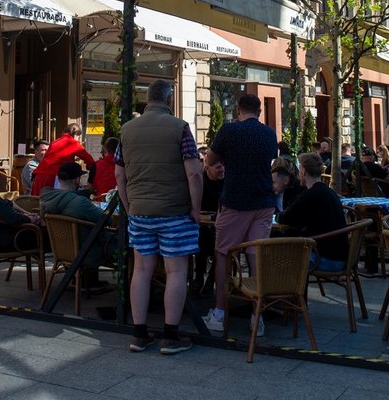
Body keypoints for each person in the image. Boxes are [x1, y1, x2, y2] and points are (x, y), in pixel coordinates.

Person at [116, 79, 201, 356]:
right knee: (176, 271)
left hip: (140, 210)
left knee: (141, 270)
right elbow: (194, 173)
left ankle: (139, 334)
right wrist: (196, 208)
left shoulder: (126, 130)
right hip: (175, 211)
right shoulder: (180, 128)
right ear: (169, 99)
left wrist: (129, 205)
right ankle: (170, 335)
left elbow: (119, 174)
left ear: (148, 99)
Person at [202, 94, 278, 336]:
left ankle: (219, 312)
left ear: (238, 109)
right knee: (255, 257)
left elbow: (210, 159)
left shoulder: (229, 131)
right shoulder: (269, 133)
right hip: (264, 202)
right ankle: (257, 316)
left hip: (235, 201)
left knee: (223, 254)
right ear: (259, 111)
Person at [40, 162, 112, 287]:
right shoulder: (80, 203)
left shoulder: (47, 197)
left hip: (61, 249)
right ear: (77, 179)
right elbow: (106, 220)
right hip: (86, 249)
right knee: (123, 241)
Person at [278, 152, 348, 271]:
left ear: (304, 171)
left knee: (277, 253)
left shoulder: (311, 195)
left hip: (324, 259)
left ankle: (282, 287)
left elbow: (284, 218)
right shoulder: (328, 192)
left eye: (299, 169)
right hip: (341, 257)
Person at [31, 124, 94, 196]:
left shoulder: (55, 142)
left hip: (39, 177)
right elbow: (89, 160)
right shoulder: (72, 142)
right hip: (54, 177)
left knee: (37, 203)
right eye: (78, 137)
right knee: (57, 204)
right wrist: (91, 168)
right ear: (75, 134)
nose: (78, 140)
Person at [193, 157, 225, 297]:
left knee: (219, 243)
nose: (222, 170)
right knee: (203, 237)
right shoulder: (201, 182)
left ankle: (210, 280)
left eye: (223, 166)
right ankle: (199, 278)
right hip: (203, 225)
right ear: (207, 168)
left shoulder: (227, 183)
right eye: (218, 167)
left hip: (222, 226)